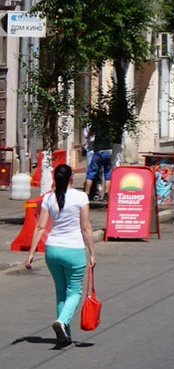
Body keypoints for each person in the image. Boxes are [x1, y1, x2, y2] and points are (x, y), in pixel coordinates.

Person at [24, 164, 96, 348]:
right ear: (72, 177)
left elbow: (40, 227)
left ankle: (65, 335)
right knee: (75, 292)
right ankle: (62, 322)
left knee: (61, 292)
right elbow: (86, 228)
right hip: (74, 250)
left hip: (52, 250)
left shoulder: (49, 198)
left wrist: (31, 254)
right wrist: (92, 253)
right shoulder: (81, 197)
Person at [84, 117, 113, 201]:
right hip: (108, 151)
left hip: (98, 151)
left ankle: (87, 193)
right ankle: (106, 194)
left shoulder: (96, 124)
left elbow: (89, 134)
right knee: (107, 174)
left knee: (91, 173)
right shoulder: (110, 125)